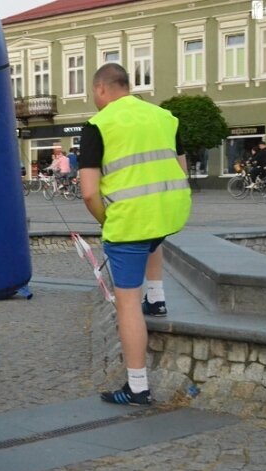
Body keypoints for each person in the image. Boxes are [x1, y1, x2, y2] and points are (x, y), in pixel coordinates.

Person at [79, 63, 191, 406]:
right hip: (168, 213)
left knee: (127, 303)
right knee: (151, 236)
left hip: (129, 221)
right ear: (126, 85)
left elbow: (88, 192)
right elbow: (182, 170)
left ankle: (138, 386)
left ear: (100, 89)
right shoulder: (164, 117)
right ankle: (156, 297)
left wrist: (106, 220)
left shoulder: (98, 125)